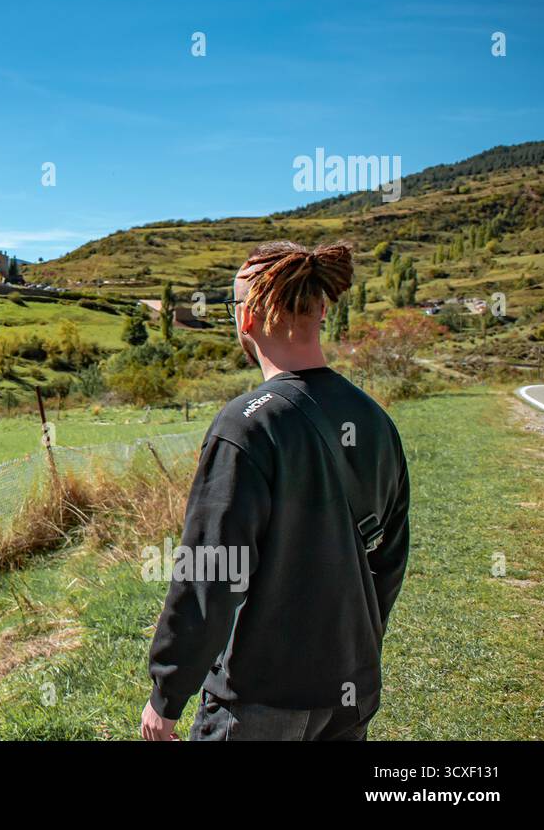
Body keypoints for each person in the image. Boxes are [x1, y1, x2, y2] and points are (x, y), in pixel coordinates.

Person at [140, 240, 410, 741]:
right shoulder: (376, 421)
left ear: (246, 319)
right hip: (352, 690)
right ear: (323, 308)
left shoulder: (246, 427)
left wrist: (167, 694)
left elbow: (210, 574)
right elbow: (388, 562)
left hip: (261, 701)